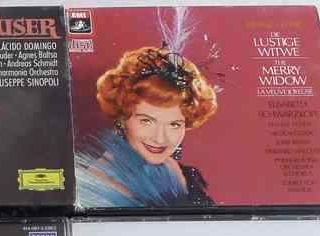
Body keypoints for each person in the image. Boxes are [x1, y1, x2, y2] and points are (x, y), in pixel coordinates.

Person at [76, 46, 217, 208]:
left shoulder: (178, 171)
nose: (160, 138)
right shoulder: (98, 185)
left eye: (174, 124)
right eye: (146, 121)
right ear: (123, 117)